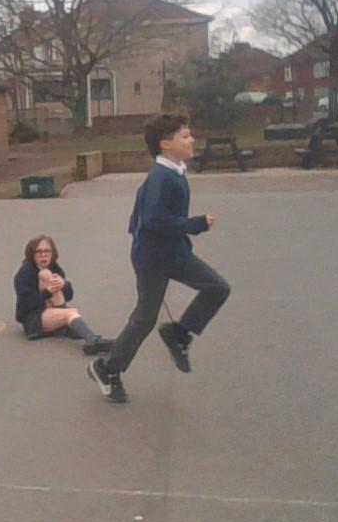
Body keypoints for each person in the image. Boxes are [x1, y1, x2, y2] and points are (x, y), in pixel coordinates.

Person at [88, 112, 231, 403]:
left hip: (171, 252)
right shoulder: (161, 177)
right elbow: (153, 219)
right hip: (154, 258)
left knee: (217, 288)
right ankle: (108, 369)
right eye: (185, 136)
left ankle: (179, 333)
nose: (192, 140)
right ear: (166, 144)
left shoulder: (174, 171)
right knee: (145, 318)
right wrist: (195, 224)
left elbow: (139, 215)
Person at [14, 235, 111, 355]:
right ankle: (92, 340)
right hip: (34, 318)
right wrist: (47, 292)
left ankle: (69, 328)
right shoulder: (25, 273)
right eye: (39, 252)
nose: (43, 255)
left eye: (47, 251)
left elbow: (69, 296)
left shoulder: (54, 268)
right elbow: (25, 305)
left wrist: (64, 284)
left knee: (50, 278)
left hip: (52, 309)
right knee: (71, 313)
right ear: (32, 254)